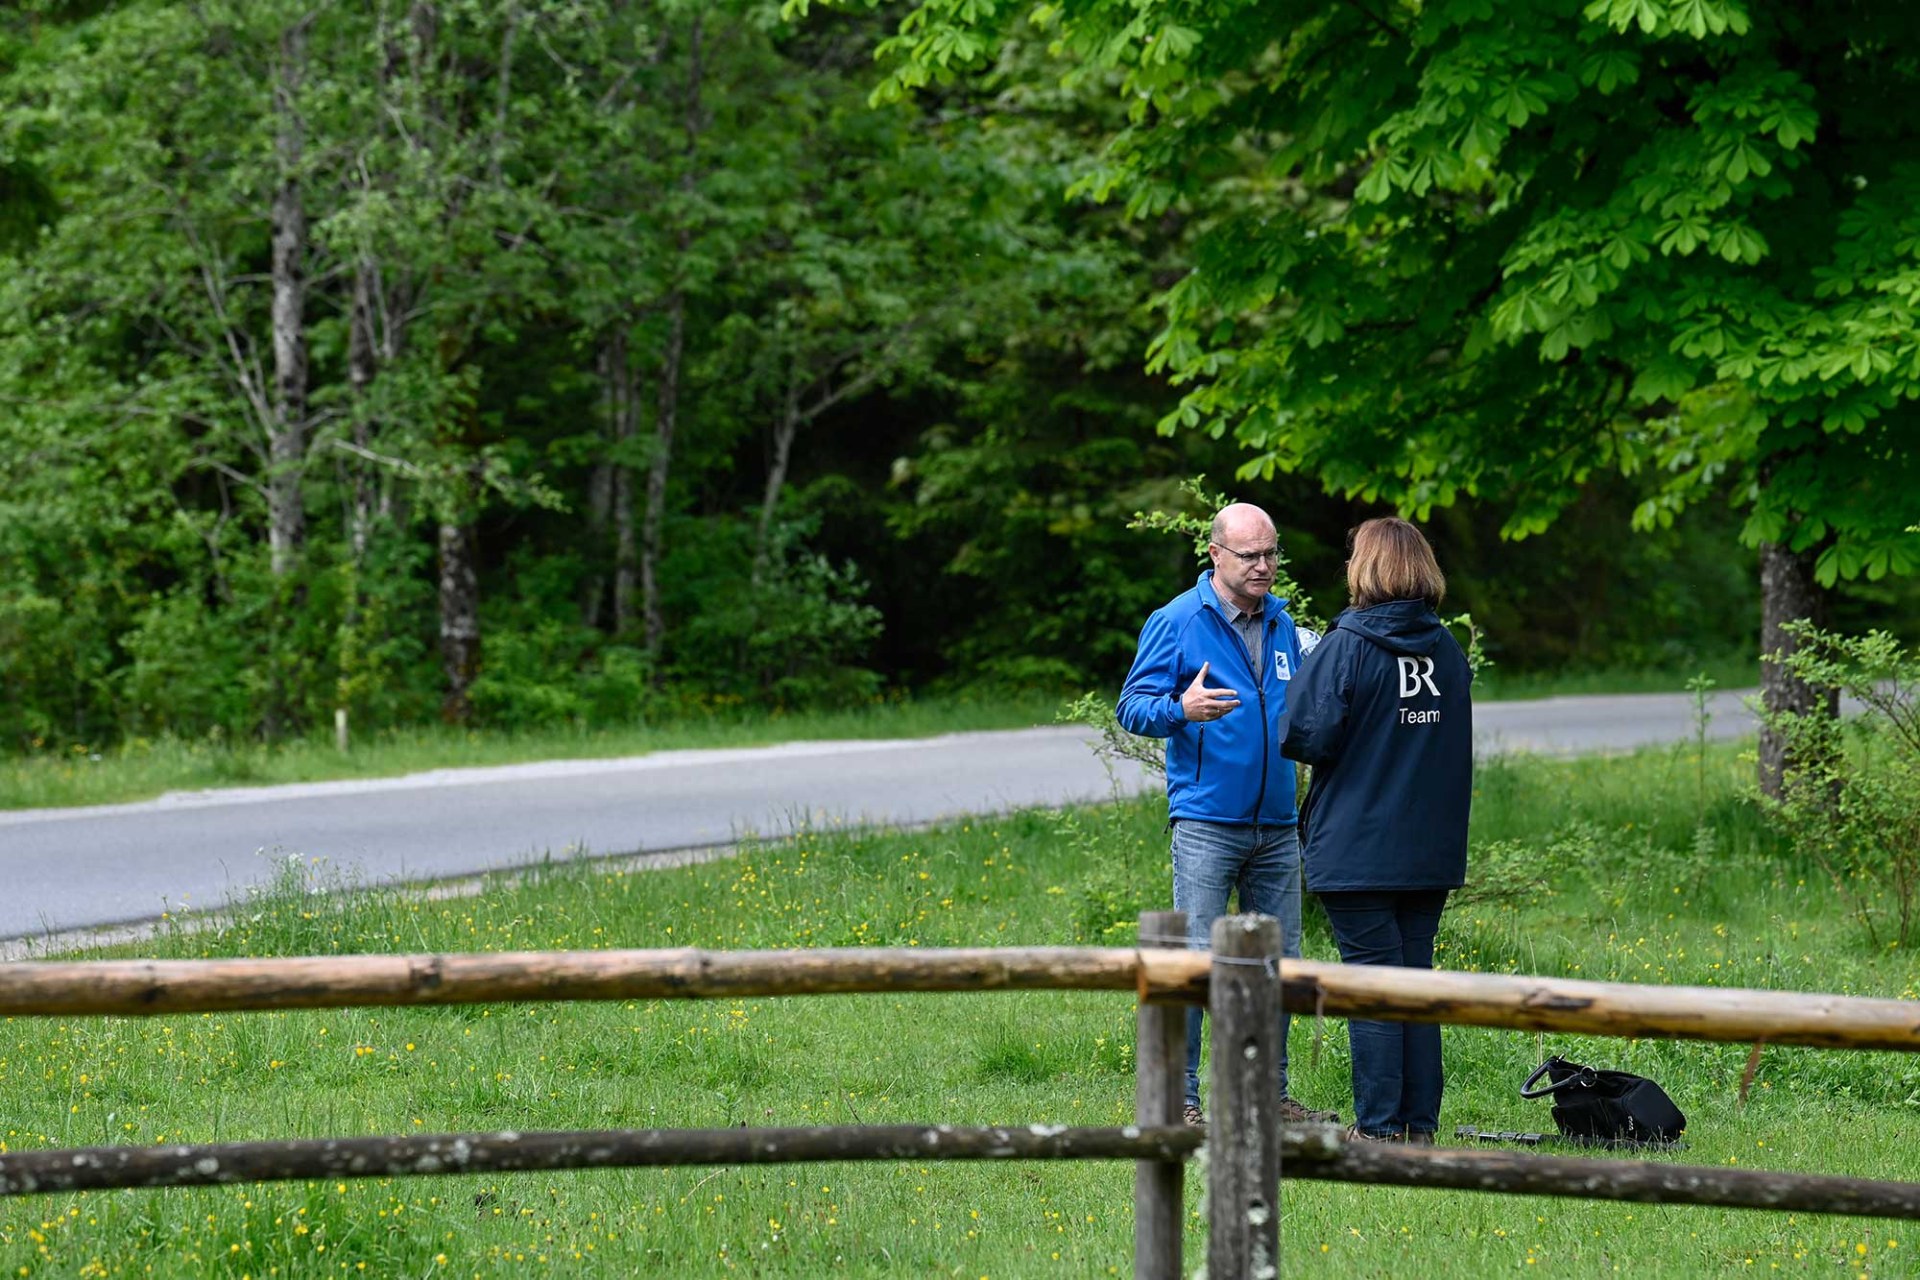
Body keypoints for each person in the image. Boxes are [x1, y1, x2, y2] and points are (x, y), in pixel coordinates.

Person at [1117, 502, 1340, 1128]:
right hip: (1207, 823)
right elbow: (1132, 707)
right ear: (1215, 555)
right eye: (1251, 556)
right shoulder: (1177, 620)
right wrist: (1181, 710)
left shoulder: (1282, 621)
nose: (1264, 566)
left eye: (1272, 554)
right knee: (1195, 960)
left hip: (1276, 824)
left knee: (1279, 962)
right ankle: (1182, 1100)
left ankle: (1267, 1094)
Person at [1279, 516, 1472, 1144]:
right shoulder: (1445, 650)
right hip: (1429, 848)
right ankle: (1418, 1127)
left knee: (1372, 986)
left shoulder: (1347, 645)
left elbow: (1302, 736)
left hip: (1358, 848)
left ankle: (1383, 1129)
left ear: (1365, 568)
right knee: (1414, 981)